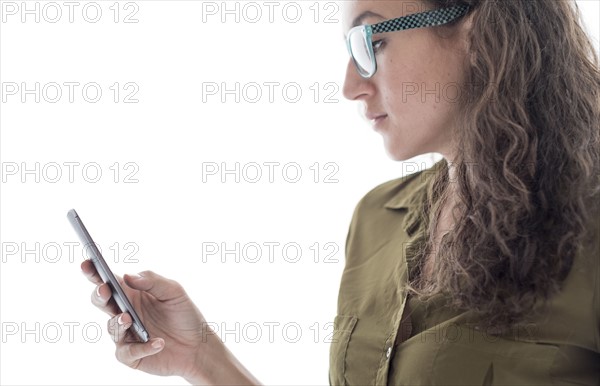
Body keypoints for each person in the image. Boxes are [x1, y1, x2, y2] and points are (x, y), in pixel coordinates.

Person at [81, 0, 600, 384]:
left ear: (476, 31)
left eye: (371, 44)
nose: (350, 85)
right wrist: (200, 357)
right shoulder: (377, 218)